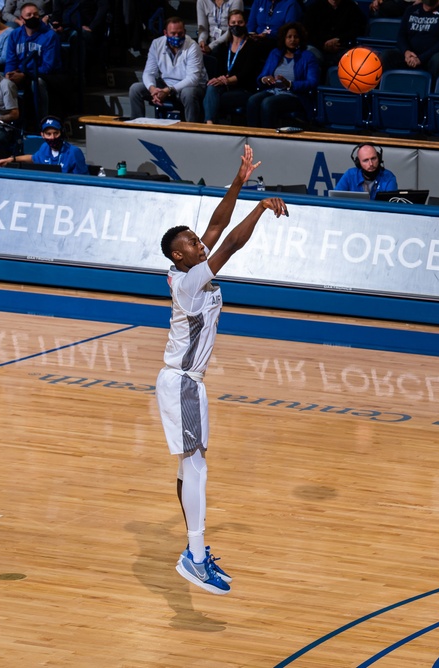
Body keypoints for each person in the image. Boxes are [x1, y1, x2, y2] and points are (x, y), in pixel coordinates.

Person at [156, 146, 288, 595]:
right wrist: (259, 206)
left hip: (186, 384)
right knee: (196, 468)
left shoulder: (190, 265)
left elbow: (217, 225)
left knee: (189, 468)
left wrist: (238, 180)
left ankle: (193, 547)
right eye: (191, 243)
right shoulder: (190, 281)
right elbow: (231, 241)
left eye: (196, 239)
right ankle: (194, 557)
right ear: (179, 257)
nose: (200, 242)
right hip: (181, 383)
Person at [129, 16, 206, 122]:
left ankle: (191, 129)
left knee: (188, 93)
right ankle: (136, 126)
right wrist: (153, 90)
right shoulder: (157, 44)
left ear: (185, 31)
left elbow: (193, 78)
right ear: (165, 33)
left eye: (180, 33)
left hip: (189, 86)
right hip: (165, 84)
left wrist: (169, 90)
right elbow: (149, 73)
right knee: (135, 89)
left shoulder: (193, 46)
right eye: (173, 33)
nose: (177, 36)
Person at [246, 22, 318, 129]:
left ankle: (268, 138)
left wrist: (289, 84)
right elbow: (263, 75)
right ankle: (252, 134)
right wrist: (265, 79)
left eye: (296, 37)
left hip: (295, 95)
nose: (292, 40)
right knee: (252, 100)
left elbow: (312, 82)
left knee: (267, 103)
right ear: (283, 39)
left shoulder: (308, 56)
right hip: (273, 91)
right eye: (289, 37)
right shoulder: (275, 53)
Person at [3, 1, 63, 123]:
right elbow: (11, 60)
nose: (33, 17)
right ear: (22, 18)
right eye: (29, 15)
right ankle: (7, 123)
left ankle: (41, 122)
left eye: (35, 14)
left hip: (45, 77)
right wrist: (9, 74)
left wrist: (25, 75)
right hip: (22, 73)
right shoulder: (15, 34)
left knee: (37, 83)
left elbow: (48, 67)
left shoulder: (50, 35)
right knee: (0, 80)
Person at [203, 9, 262, 125]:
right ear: (228, 24)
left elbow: (246, 74)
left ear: (245, 23)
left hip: (244, 89)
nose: (236, 25)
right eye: (233, 23)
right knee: (210, 87)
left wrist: (227, 80)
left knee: (214, 99)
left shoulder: (253, 46)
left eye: (240, 22)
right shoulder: (223, 47)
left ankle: (210, 125)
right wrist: (219, 79)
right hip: (225, 86)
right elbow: (219, 71)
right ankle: (210, 124)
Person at [381, 0, 439, 81]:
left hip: (430, 57)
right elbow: (401, 35)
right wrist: (406, 52)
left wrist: (421, 59)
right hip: (410, 55)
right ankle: (384, 89)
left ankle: (432, 91)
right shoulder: (411, 9)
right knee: (386, 55)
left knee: (438, 59)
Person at [0, 115, 86, 173]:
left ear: (61, 133)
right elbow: (33, 158)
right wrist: (12, 159)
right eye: (48, 134)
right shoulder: (44, 148)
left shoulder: (74, 152)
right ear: (42, 135)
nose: (52, 137)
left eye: (56, 133)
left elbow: (83, 180)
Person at [301, 0, 365, 66]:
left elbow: (358, 29)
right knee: (308, 53)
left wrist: (339, 40)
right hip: (319, 48)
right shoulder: (314, 7)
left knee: (356, 56)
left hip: (343, 48)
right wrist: (324, 45)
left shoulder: (352, 7)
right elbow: (308, 33)